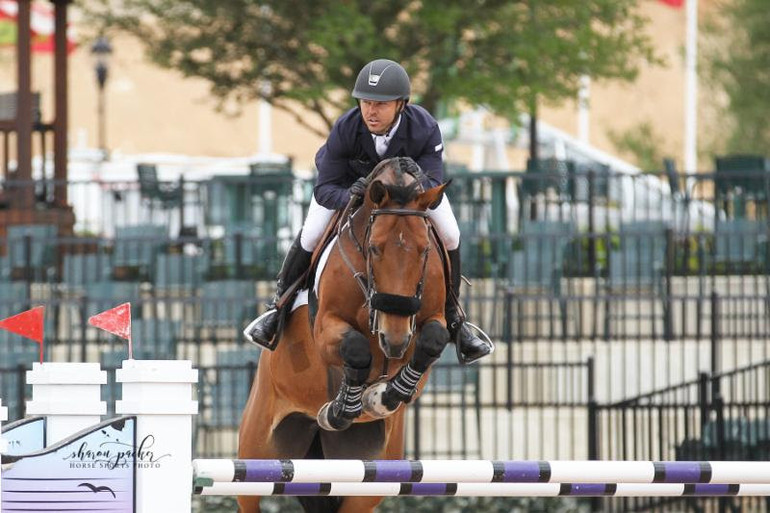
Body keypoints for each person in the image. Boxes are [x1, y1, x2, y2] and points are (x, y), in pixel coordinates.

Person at [244, 58, 493, 364]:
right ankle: (278, 308)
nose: (371, 111)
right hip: (348, 190)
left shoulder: (424, 128)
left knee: (452, 234)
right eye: (365, 102)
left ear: (401, 104)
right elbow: (325, 189)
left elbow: (433, 180)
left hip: (408, 199)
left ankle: (456, 319)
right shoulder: (346, 128)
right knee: (310, 234)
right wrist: (353, 196)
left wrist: (412, 182)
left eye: (380, 104)